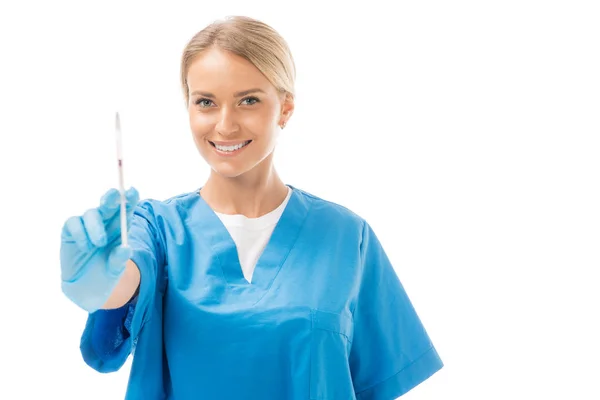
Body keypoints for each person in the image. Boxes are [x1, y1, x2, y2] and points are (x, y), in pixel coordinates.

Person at [59, 15, 443, 400]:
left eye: (248, 101)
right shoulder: (158, 229)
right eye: (206, 102)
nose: (225, 126)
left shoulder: (346, 237)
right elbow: (126, 282)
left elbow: (378, 382)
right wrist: (100, 281)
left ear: (285, 109)